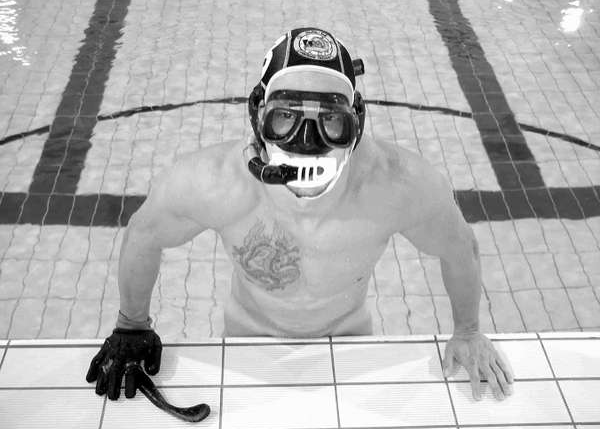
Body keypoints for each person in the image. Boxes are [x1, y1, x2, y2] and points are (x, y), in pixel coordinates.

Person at [86, 27, 513, 403]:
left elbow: (460, 248)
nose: (307, 141)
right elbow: (144, 234)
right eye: (286, 117)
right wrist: (131, 326)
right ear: (259, 113)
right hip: (248, 342)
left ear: (356, 121)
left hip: (348, 343)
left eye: (330, 120)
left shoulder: (396, 186)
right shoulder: (216, 184)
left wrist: (468, 331)